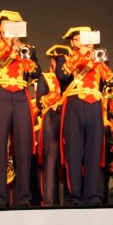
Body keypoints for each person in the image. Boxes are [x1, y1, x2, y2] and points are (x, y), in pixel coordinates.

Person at [0, 10, 41, 208]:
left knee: (24, 147)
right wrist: (7, 47)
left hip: (22, 96)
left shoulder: (28, 49)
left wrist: (21, 52)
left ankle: (24, 198)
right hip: (0, 95)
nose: (11, 28)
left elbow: (36, 72)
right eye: (7, 24)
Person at [57, 26, 113, 205]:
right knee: (74, 152)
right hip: (74, 104)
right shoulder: (65, 58)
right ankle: (74, 196)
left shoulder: (98, 59)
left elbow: (111, 80)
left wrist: (98, 61)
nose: (86, 43)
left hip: (95, 106)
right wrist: (79, 55)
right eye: (80, 40)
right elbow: (61, 75)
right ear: (73, 42)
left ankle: (93, 195)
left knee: (94, 151)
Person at [36, 44, 69, 206]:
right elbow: (40, 102)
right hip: (52, 120)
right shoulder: (45, 77)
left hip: (69, 117)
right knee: (52, 160)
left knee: (72, 159)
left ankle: (72, 201)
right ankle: (50, 202)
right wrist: (58, 95)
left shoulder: (73, 77)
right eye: (59, 60)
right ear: (53, 61)